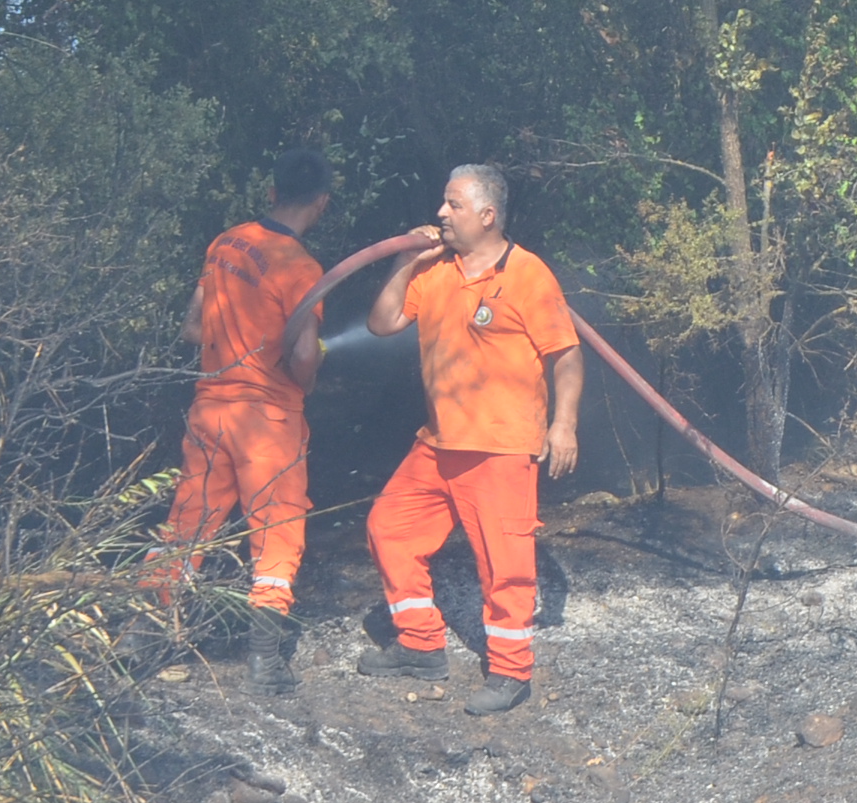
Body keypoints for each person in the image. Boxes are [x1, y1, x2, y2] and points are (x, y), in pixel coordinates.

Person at [356, 162, 581, 715]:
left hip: (501, 447)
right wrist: (409, 263)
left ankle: (510, 672)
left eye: (452, 205)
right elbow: (381, 323)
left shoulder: (528, 274)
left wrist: (564, 424)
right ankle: (421, 643)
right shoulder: (434, 271)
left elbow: (566, 354)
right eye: (443, 203)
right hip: (437, 444)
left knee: (504, 564)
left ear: (487, 215)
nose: (440, 214)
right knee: (389, 528)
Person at [146, 141, 331, 692]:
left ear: (272, 192)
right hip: (267, 422)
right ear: (320, 203)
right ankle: (265, 664)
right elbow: (302, 356)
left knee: (186, 525)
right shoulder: (303, 268)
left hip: (209, 409)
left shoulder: (224, 243)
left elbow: (193, 329)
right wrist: (311, 372)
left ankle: (141, 635)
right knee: (277, 535)